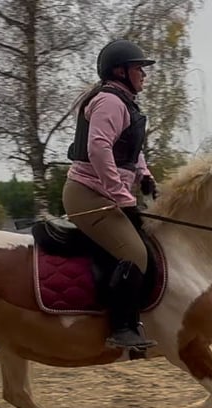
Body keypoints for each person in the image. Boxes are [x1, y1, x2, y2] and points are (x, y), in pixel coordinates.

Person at [63, 39, 159, 352]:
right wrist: (122, 197)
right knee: (136, 254)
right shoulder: (110, 101)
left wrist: (144, 175)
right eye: (138, 68)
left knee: (148, 244)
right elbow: (98, 148)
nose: (143, 74)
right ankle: (121, 328)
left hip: (103, 194)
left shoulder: (124, 102)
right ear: (120, 71)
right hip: (87, 194)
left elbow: (131, 149)